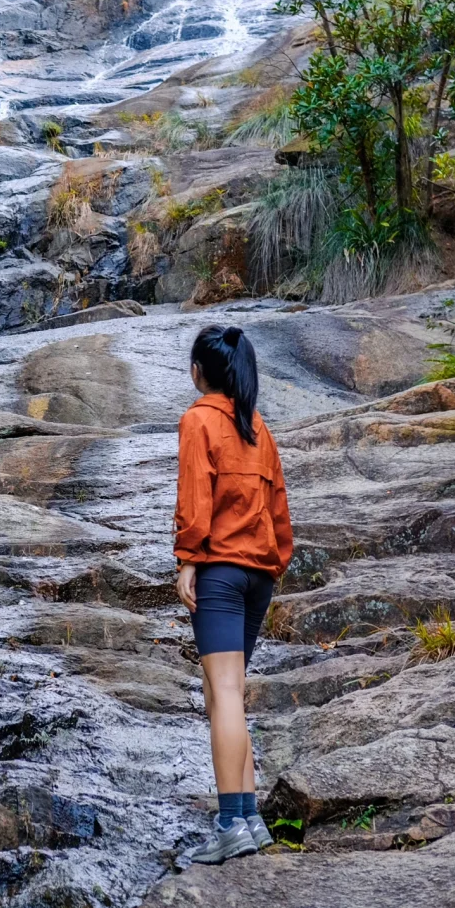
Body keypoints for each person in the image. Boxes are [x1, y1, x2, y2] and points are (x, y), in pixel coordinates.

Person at [174, 324, 293, 864]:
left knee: (222, 693)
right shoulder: (258, 427)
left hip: (221, 570)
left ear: (201, 372)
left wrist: (188, 559)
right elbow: (281, 514)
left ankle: (227, 826)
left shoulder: (199, 419)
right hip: (259, 575)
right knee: (232, 693)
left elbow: (196, 497)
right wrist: (272, 563)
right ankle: (249, 818)